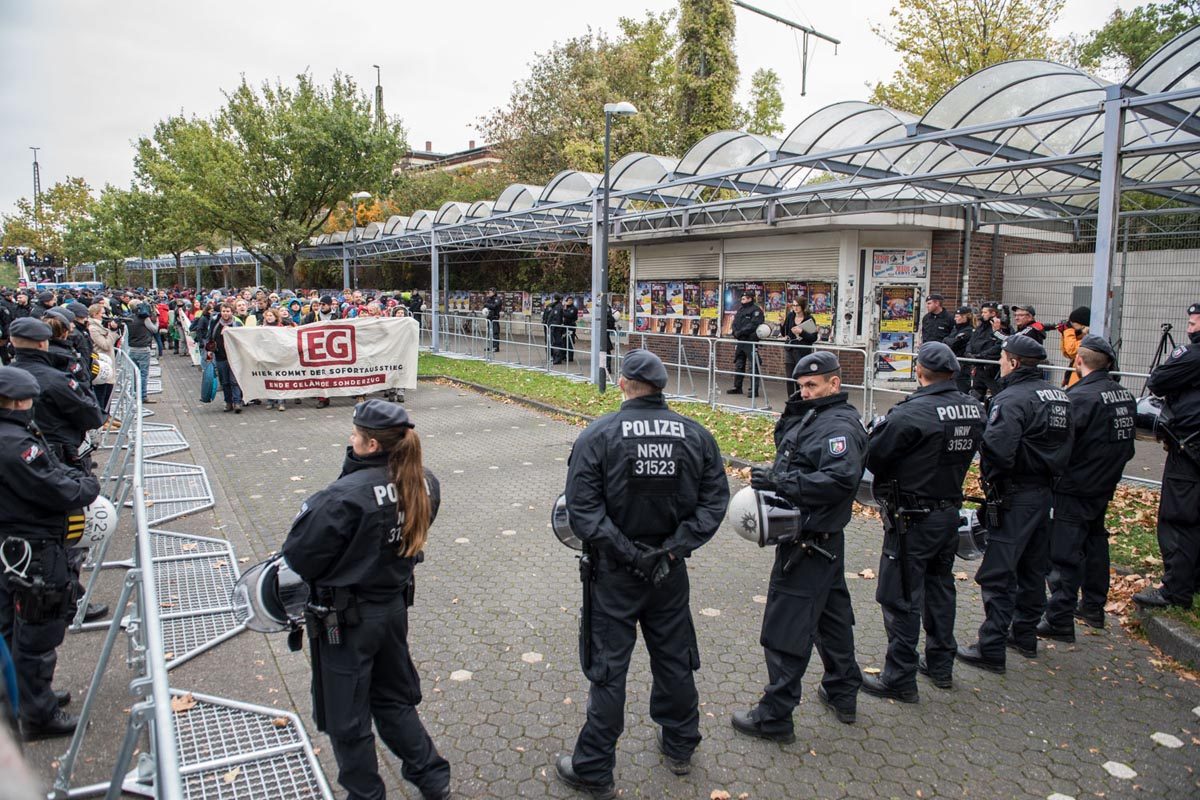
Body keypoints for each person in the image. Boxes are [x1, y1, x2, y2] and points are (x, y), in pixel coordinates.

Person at [556, 350, 728, 800]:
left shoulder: (599, 435)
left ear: (622, 384)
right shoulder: (696, 435)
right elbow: (714, 503)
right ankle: (680, 744)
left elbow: (583, 511)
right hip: (668, 572)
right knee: (674, 657)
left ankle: (594, 767)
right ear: (662, 386)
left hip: (616, 572)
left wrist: (632, 555)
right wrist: (672, 550)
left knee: (609, 668)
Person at [282, 400, 450, 800]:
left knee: (347, 717)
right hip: (392, 611)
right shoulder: (424, 482)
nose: (351, 438)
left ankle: (365, 794)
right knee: (394, 701)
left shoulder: (341, 497)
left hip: (345, 623)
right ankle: (433, 779)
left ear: (372, 445)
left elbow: (300, 557)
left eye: (356, 435)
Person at [732, 351, 865, 738]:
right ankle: (843, 692)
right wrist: (797, 406)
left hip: (809, 543)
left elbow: (839, 481)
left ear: (834, 384)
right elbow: (788, 446)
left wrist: (780, 483)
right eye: (800, 386)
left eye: (812, 385)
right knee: (833, 620)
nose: (805, 392)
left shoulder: (839, 427)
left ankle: (775, 716)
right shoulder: (816, 415)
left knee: (786, 629)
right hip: (819, 541)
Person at [861, 343, 984, 700]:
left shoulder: (911, 413)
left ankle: (899, 678)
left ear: (919, 371)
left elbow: (875, 456)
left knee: (901, 597)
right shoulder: (974, 409)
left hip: (912, 519)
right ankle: (941, 665)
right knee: (940, 589)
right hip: (948, 514)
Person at [957, 335, 1072, 673]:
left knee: (999, 571)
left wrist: (993, 481)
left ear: (1014, 362)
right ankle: (1024, 635)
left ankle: (991, 647)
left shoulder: (1010, 399)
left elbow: (998, 450)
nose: (1000, 363)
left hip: (1015, 494)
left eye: (1003, 358)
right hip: (1045, 492)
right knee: (1033, 567)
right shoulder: (1060, 397)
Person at [0, 365, 101, 740]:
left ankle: (25, 698)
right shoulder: (16, 445)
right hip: (34, 548)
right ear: (16, 401)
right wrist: (87, 485)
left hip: (13, 545)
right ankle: (39, 715)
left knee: (12, 628)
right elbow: (58, 487)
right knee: (38, 631)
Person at [1039, 335, 1135, 638]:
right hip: (1103, 483)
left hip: (1075, 485)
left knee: (1064, 552)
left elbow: (1061, 443)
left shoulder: (1078, 398)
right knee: (1095, 542)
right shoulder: (1123, 395)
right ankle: (1093, 607)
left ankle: (1059, 618)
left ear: (1078, 360)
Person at [1134, 302, 1200, 610]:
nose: (1189, 327)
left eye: (1194, 322)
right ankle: (1192, 580)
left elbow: (1158, 380)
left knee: (1178, 518)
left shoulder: (1193, 354)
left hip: (1189, 448)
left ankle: (1175, 590)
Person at [9, 318, 104, 470]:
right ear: (42, 343)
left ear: (12, 342)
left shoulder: (6, 377)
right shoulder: (56, 380)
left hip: (14, 456)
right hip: (58, 455)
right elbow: (91, 416)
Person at [727, 291, 765, 398]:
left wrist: (740, 332)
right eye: (742, 298)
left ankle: (754, 390)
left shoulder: (756, 310)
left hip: (750, 341)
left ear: (750, 299)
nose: (742, 300)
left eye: (744, 298)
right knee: (739, 364)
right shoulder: (741, 310)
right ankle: (737, 387)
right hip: (741, 341)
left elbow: (753, 325)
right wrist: (735, 332)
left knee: (753, 366)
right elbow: (735, 323)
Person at [87, 303, 120, 420]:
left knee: (108, 392)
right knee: (101, 393)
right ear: (95, 314)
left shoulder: (100, 326)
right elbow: (105, 345)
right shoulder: (93, 328)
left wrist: (114, 329)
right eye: (102, 313)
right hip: (101, 365)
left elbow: (113, 340)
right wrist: (111, 331)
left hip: (108, 363)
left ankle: (107, 417)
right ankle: (101, 419)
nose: (104, 315)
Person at [966, 302, 1005, 402]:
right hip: (979, 367)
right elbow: (971, 341)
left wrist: (980, 356)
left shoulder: (1001, 328)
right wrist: (969, 353)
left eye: (985, 312)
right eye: (982, 312)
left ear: (993, 313)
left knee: (997, 394)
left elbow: (999, 346)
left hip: (992, 368)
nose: (982, 314)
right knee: (976, 394)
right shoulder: (980, 327)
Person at [209, 304, 243, 413]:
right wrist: (209, 351)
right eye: (223, 311)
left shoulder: (236, 324)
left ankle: (237, 402)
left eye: (228, 311)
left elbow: (242, 338)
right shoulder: (215, 323)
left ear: (232, 312)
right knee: (225, 382)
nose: (225, 313)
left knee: (234, 381)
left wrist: (230, 331)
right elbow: (210, 337)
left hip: (234, 357)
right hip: (220, 356)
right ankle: (228, 402)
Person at [123, 296, 157, 404]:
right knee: (143, 374)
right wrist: (157, 321)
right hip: (143, 348)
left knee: (134, 373)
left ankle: (134, 393)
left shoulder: (128, 318)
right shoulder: (144, 319)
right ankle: (143, 396)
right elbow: (154, 330)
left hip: (132, 348)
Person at [782, 297, 818, 381]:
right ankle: (791, 390)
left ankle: (800, 390)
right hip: (790, 349)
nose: (795, 308)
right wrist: (781, 324)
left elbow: (813, 338)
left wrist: (801, 332)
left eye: (797, 305)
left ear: (802, 306)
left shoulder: (809, 318)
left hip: (802, 351)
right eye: (793, 305)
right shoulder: (790, 316)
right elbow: (784, 333)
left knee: (800, 376)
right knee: (789, 377)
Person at [1058, 307, 1090, 388]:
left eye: (1072, 323)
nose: (1070, 325)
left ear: (1082, 325)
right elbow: (1066, 353)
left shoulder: (1090, 340)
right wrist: (1065, 334)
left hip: (1081, 383)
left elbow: (1071, 350)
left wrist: (1068, 331)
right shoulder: (1081, 336)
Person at [945, 306, 975, 393]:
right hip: (952, 362)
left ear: (965, 317)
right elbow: (945, 340)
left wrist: (948, 340)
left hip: (962, 364)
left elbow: (954, 343)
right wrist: (948, 340)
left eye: (957, 316)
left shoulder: (968, 331)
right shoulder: (956, 329)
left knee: (960, 388)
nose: (955, 319)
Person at [544, 295, 565, 365]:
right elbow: (547, 317)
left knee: (557, 343)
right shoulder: (553, 306)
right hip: (551, 328)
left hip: (555, 328)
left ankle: (557, 359)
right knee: (552, 343)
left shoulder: (558, 307)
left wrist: (553, 327)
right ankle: (552, 357)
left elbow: (557, 319)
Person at [483, 289, 502, 353]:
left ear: (494, 292)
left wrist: (487, 305)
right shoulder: (489, 299)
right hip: (489, 318)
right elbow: (485, 307)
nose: (489, 293)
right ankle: (490, 346)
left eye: (490, 292)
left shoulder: (497, 299)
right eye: (489, 292)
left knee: (495, 333)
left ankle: (496, 347)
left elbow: (494, 306)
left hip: (495, 318)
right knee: (489, 333)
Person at [562, 296, 580, 363]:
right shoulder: (565, 308)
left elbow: (569, 315)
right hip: (565, 326)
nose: (570, 301)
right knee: (564, 341)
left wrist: (563, 310)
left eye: (571, 300)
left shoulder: (574, 308)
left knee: (570, 342)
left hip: (571, 326)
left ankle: (570, 357)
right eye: (568, 300)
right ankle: (563, 356)